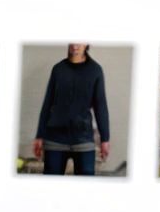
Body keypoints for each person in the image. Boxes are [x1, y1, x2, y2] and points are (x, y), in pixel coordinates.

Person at [32, 43, 111, 176]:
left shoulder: (95, 71)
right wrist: (39, 135)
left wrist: (105, 139)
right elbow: (47, 103)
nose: (75, 44)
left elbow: (100, 106)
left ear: (86, 44)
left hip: (83, 140)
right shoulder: (58, 69)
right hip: (55, 140)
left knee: (84, 191)